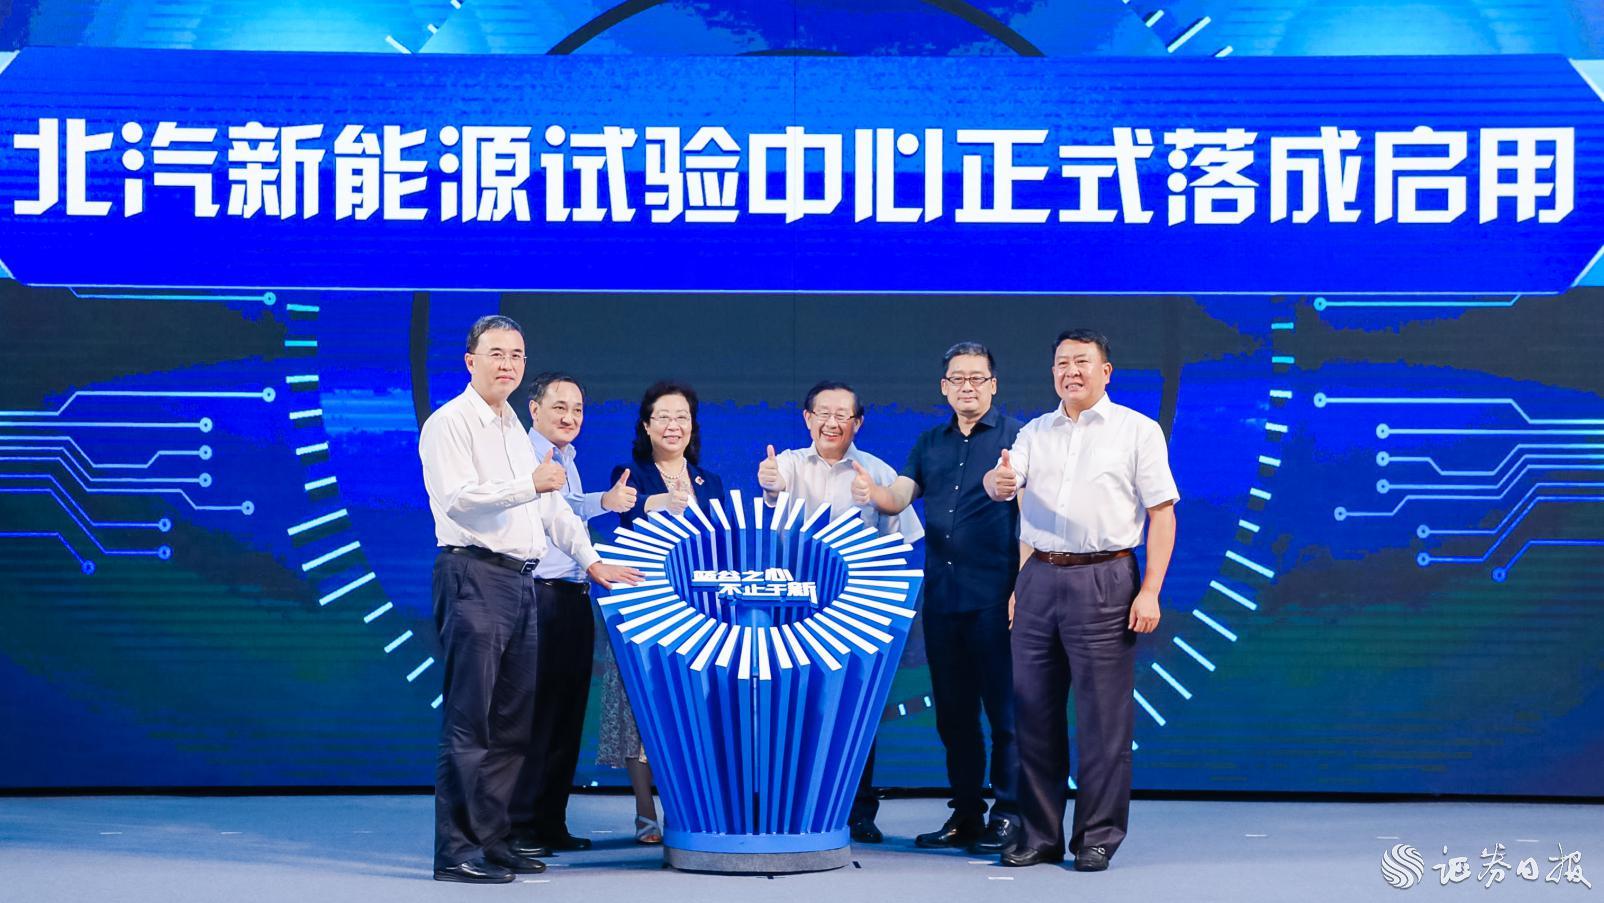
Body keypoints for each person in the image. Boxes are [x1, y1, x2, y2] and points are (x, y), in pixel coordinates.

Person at [419, 315, 642, 884]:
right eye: (497, 353)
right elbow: (459, 499)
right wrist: (529, 485)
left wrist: (590, 561)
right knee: (472, 723)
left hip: (520, 580)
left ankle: (495, 839)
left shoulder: (513, 428)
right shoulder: (450, 423)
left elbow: (551, 509)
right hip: (473, 574)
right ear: (470, 361)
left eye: (517, 355)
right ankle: (456, 851)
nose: (508, 364)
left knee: (514, 724)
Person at [983, 328, 1178, 872]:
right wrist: (999, 483)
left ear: (1105, 371)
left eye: (1082, 362)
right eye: (1062, 363)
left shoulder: (1137, 431)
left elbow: (1162, 514)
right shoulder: (1033, 433)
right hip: (1039, 577)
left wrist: (1150, 590)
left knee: (1103, 719)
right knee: (1033, 714)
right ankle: (1039, 834)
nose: (1071, 371)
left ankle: (1097, 836)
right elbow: (1005, 485)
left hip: (1106, 578)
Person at [854, 343, 1022, 854]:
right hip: (943, 601)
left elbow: (1035, 514)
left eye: (977, 377)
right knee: (954, 716)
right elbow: (899, 497)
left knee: (1006, 715)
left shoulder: (1018, 438)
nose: (967, 386)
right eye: (957, 378)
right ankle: (966, 813)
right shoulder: (929, 442)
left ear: (993, 384)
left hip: (998, 597)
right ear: (944, 387)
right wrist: (872, 492)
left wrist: (1022, 587)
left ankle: (1009, 814)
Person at [756, 380, 924, 844]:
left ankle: (858, 810)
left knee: (854, 708)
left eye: (842, 415)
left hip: (857, 608)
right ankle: (787, 804)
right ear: (807, 418)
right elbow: (772, 488)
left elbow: (905, 541)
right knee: (791, 704)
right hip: (792, 609)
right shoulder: (788, 463)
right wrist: (770, 486)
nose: (832, 423)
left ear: (858, 423)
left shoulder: (877, 471)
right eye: (823, 413)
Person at [507, 372, 637, 854]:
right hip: (538, 594)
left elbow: (567, 510)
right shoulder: (523, 453)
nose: (570, 417)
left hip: (575, 594)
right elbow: (547, 512)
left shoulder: (567, 457)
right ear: (534, 409)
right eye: (559, 407)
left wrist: (602, 502)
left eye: (578, 409)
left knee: (566, 716)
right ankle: (519, 825)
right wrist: (603, 504)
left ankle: (549, 822)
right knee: (537, 716)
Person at [597, 380, 726, 844]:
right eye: (664, 417)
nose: (674, 425)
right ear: (647, 426)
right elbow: (631, 509)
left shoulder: (711, 483)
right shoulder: (630, 475)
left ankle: (687, 807)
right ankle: (644, 810)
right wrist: (663, 503)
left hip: (700, 610)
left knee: (690, 710)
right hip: (644, 607)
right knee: (641, 707)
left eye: (682, 417)